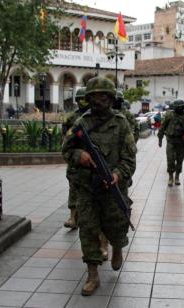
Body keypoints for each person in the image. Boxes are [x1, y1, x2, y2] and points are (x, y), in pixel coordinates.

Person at [62, 76, 136, 296]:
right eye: (94, 96)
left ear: (111, 98)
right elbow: (65, 150)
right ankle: (92, 274)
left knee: (116, 225)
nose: (98, 100)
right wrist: (79, 155)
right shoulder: (81, 123)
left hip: (113, 188)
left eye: (103, 96)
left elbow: (130, 159)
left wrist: (117, 174)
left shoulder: (121, 123)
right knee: (88, 229)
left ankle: (117, 247)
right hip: (87, 188)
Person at [62, 87, 88, 230]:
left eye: (85, 99)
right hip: (76, 160)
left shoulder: (95, 117)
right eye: (80, 99)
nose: (83, 102)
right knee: (73, 189)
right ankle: (73, 217)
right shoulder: (73, 118)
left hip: (95, 161)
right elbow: (65, 138)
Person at [157, 99, 184, 186]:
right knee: (170, 159)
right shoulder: (169, 115)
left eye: (181, 107)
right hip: (171, 141)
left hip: (181, 142)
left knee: (179, 161)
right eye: (178, 107)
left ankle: (177, 176)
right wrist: (160, 139)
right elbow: (163, 127)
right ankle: (170, 177)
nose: (179, 109)